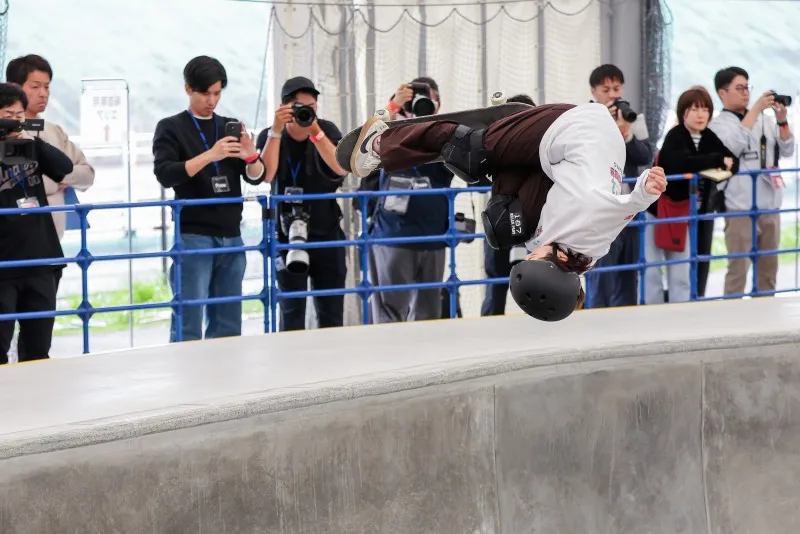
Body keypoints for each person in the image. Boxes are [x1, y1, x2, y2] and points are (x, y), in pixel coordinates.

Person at [348, 102, 666, 321]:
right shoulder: (589, 210)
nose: (530, 254)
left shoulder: (580, 259)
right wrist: (647, 187)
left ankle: (510, 135)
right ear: (558, 259)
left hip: (558, 163)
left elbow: (621, 215)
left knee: (504, 227)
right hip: (576, 127)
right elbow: (629, 206)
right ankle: (382, 143)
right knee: (469, 154)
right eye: (535, 258)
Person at [152, 55, 266, 343]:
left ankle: (225, 369)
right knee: (188, 318)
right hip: (194, 235)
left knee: (229, 321)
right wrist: (210, 155)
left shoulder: (229, 126)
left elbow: (256, 177)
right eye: (205, 93)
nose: (212, 100)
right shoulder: (171, 127)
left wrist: (250, 156)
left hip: (232, 234)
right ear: (188, 89)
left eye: (217, 93)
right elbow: (166, 174)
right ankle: (187, 367)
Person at [6, 53, 96, 361]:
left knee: (38, 343)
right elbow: (23, 180)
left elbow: (84, 173)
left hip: (46, 250)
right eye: (35, 86)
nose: (43, 93)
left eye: (47, 87)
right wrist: (50, 183)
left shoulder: (51, 131)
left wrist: (54, 175)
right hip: (8, 255)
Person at [256, 77, 348, 331]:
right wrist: (276, 131)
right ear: (284, 108)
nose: (305, 113)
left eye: (311, 108)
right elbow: (267, 175)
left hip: (326, 232)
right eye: (299, 108)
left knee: (331, 313)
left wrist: (316, 133)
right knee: (291, 313)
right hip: (286, 235)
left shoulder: (326, 130)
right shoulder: (270, 135)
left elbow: (340, 168)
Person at [0, 83, 74, 363]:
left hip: (41, 259)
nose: (14, 121)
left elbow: (64, 167)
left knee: (38, 348)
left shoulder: (28, 146)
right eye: (8, 115)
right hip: (4, 265)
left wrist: (32, 140)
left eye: (19, 115)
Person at [643, 86, 737, 304]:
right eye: (694, 109)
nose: (700, 114)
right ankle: (651, 311)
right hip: (657, 210)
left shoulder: (707, 136)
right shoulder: (675, 135)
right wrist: (716, 161)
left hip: (682, 211)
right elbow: (681, 163)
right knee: (652, 268)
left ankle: (680, 311)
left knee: (681, 268)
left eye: (705, 109)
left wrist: (718, 164)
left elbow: (733, 161)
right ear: (683, 112)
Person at [707, 66, 794, 298]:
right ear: (722, 93)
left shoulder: (765, 120)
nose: (746, 93)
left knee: (768, 271)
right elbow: (731, 147)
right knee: (738, 271)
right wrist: (755, 109)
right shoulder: (718, 125)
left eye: (747, 87)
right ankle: (732, 316)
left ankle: (764, 313)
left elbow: (787, 150)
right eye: (739, 88)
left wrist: (782, 121)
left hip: (770, 205)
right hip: (739, 207)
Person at [583, 64, 655, 309]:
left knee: (629, 275)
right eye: (606, 90)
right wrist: (609, 128)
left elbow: (645, 155)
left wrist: (627, 134)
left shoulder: (633, 117)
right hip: (602, 210)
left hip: (630, 209)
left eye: (617, 88)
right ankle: (597, 320)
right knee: (602, 276)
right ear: (594, 91)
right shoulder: (584, 119)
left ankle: (627, 322)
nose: (613, 95)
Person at [480, 93, 535, 316]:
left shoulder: (543, 146)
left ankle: (540, 325)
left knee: (538, 280)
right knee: (496, 282)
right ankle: (490, 329)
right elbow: (476, 177)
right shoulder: (494, 144)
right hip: (499, 220)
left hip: (533, 224)